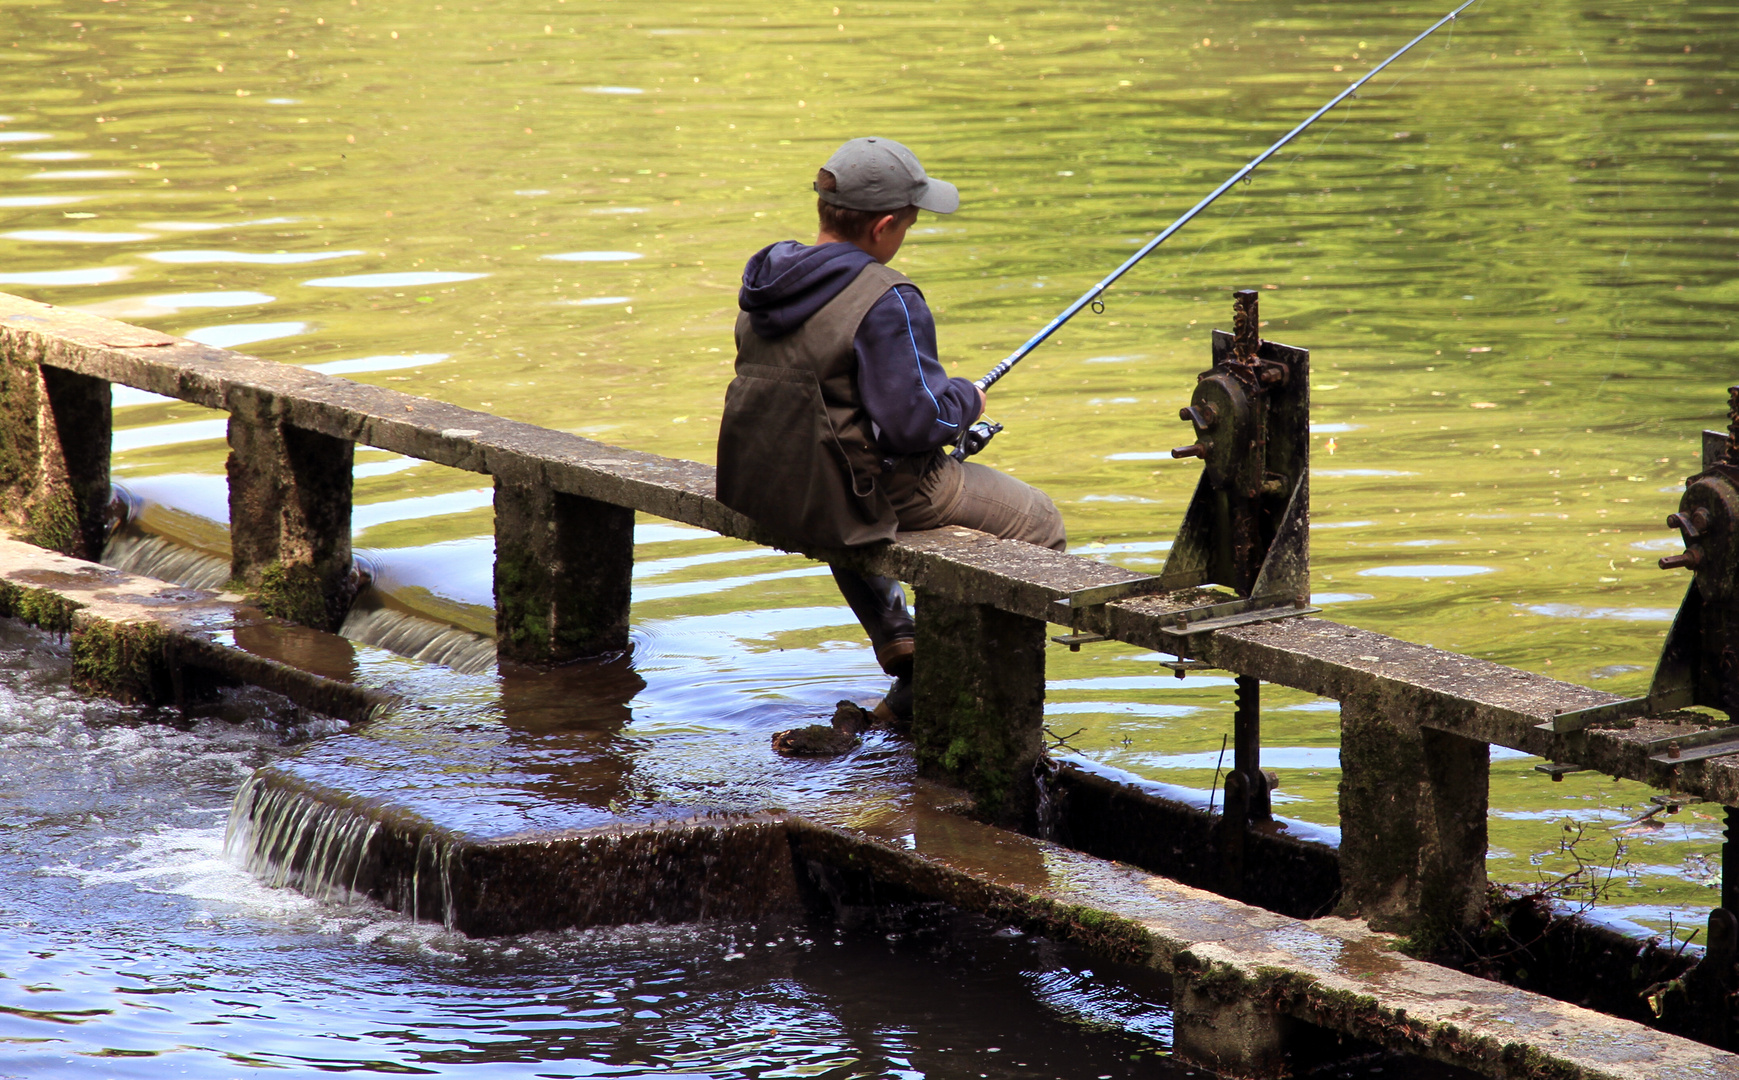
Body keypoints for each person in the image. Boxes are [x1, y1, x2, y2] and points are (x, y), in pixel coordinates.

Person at [716, 136, 1065, 718]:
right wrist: (966, 401)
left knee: (840, 504)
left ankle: (900, 644)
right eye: (908, 224)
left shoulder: (766, 285)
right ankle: (979, 700)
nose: (907, 236)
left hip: (782, 478)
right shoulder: (887, 295)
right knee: (1040, 524)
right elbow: (914, 424)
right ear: (882, 227)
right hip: (874, 488)